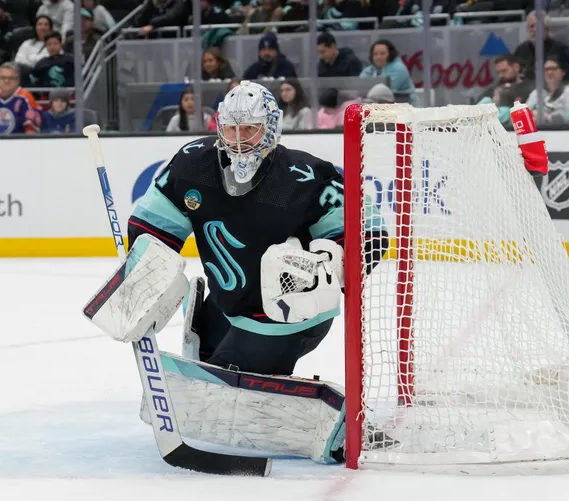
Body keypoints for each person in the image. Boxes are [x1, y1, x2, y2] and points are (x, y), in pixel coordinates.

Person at [129, 80, 388, 376]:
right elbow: (152, 224)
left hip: (290, 316)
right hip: (228, 305)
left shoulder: (303, 176)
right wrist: (143, 275)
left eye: (250, 129)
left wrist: (328, 266)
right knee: (203, 357)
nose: (239, 139)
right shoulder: (193, 164)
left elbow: (371, 232)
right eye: (231, 129)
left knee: (219, 386)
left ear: (270, 128)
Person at [525, 57, 569, 124]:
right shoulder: (537, 93)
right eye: (546, 69)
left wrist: (547, 117)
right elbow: (524, 115)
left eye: (554, 69)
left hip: (564, 131)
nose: (550, 72)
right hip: (539, 132)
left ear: (563, 72)